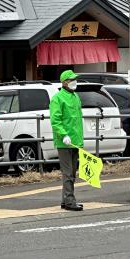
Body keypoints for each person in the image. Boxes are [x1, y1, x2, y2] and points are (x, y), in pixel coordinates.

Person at [50, 70, 84, 211]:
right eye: (71, 79)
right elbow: (55, 120)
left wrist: (79, 140)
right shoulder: (57, 98)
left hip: (75, 141)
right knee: (68, 173)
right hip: (64, 142)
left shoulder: (75, 96)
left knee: (72, 172)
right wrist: (63, 135)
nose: (74, 81)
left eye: (75, 79)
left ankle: (65, 200)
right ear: (64, 82)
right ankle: (70, 201)